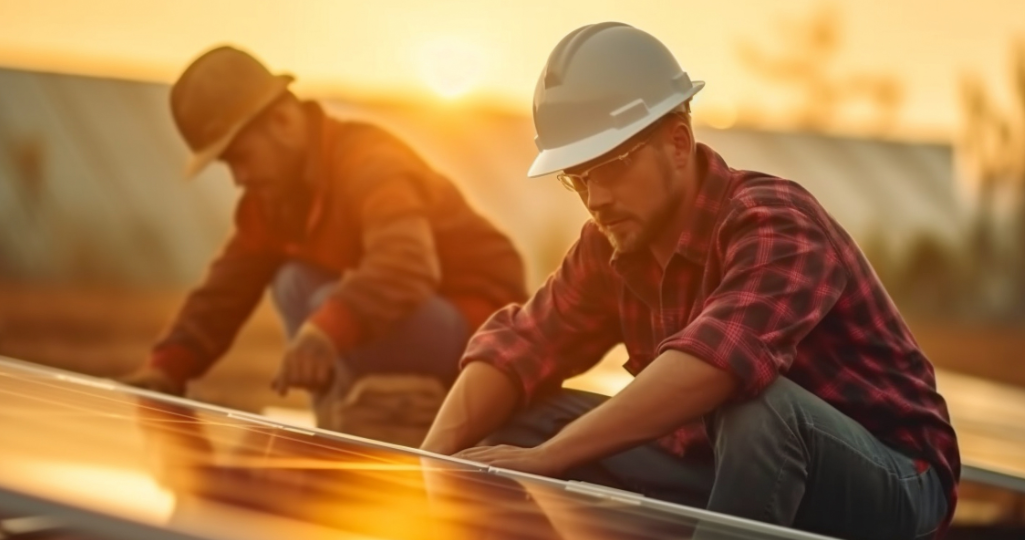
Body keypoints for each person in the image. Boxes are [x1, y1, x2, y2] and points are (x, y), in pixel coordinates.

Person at [421, 22, 959, 540]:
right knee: (521, 420)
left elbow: (718, 362)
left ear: (678, 143)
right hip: (722, 460)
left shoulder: (776, 222)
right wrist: (430, 462)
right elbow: (521, 345)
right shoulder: (609, 244)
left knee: (761, 408)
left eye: (611, 167)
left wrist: (551, 458)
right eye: (577, 177)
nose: (595, 198)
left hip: (895, 479)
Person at [119, 46, 527, 434]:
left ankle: (424, 410)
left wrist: (327, 329)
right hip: (412, 323)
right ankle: (347, 418)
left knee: (317, 299)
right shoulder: (271, 199)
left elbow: (406, 265)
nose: (239, 177)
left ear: (282, 122)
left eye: (240, 157)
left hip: (484, 333)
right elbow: (224, 291)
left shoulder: (370, 161)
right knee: (293, 279)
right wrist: (166, 367)